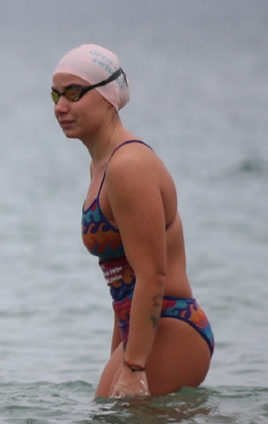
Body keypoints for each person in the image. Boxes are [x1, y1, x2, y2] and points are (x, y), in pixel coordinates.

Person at [50, 44, 214, 398]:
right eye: (56, 95)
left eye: (74, 93)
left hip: (173, 327)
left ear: (108, 97)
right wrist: (118, 354)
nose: (60, 107)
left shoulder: (129, 165)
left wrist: (134, 365)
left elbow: (152, 275)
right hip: (139, 329)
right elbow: (122, 282)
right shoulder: (101, 166)